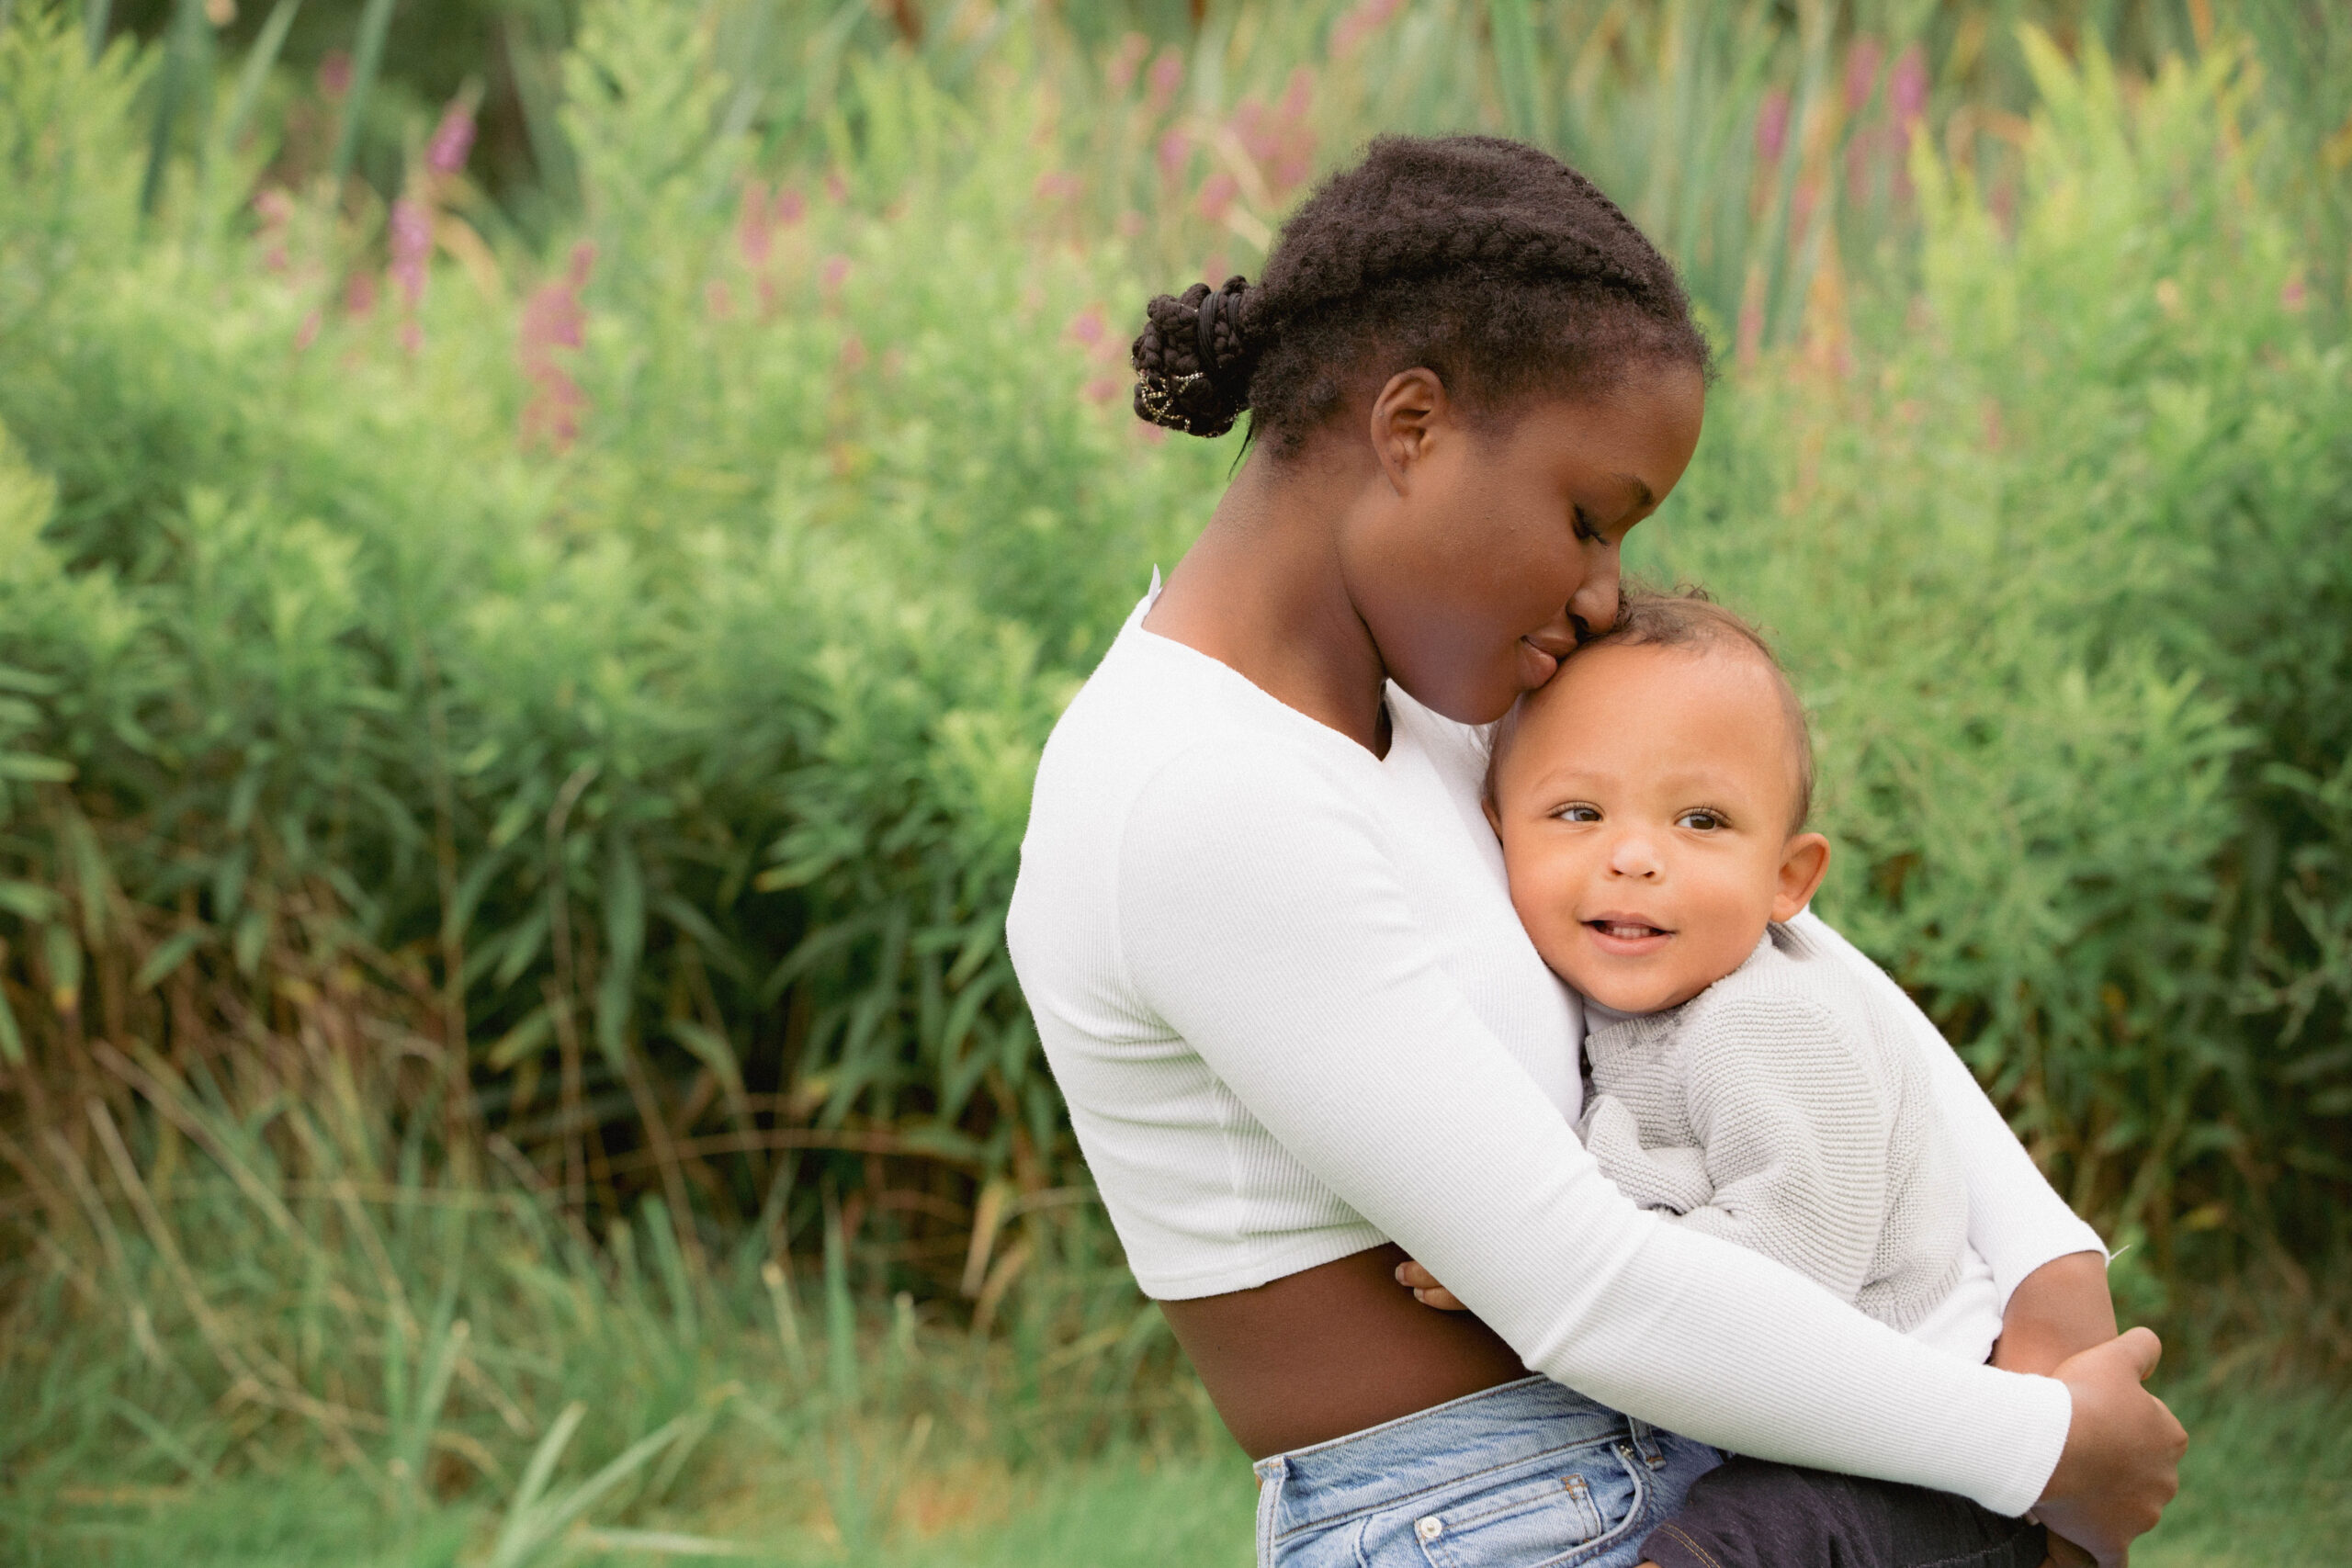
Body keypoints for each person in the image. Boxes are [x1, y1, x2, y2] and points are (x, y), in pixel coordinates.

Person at [1003, 134, 2183, 1568]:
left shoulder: (1429, 708)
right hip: (1506, 1521)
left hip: (1700, 1453)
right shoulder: (1191, 793)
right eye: (1587, 517)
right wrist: (2041, 1451)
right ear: (1412, 426)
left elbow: (1779, 943)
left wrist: (2052, 1266)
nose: (1606, 592)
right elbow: (1587, 1290)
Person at [1407, 587, 2057, 1565]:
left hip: (1921, 1459)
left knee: (1728, 1548)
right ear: (1497, 830)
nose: (1632, 857)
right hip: (1825, 1434)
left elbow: (1787, 1265)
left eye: (1701, 821)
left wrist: (1528, 1268)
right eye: (1577, 811)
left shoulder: (1767, 1020)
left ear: (1788, 880)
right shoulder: (1636, 999)